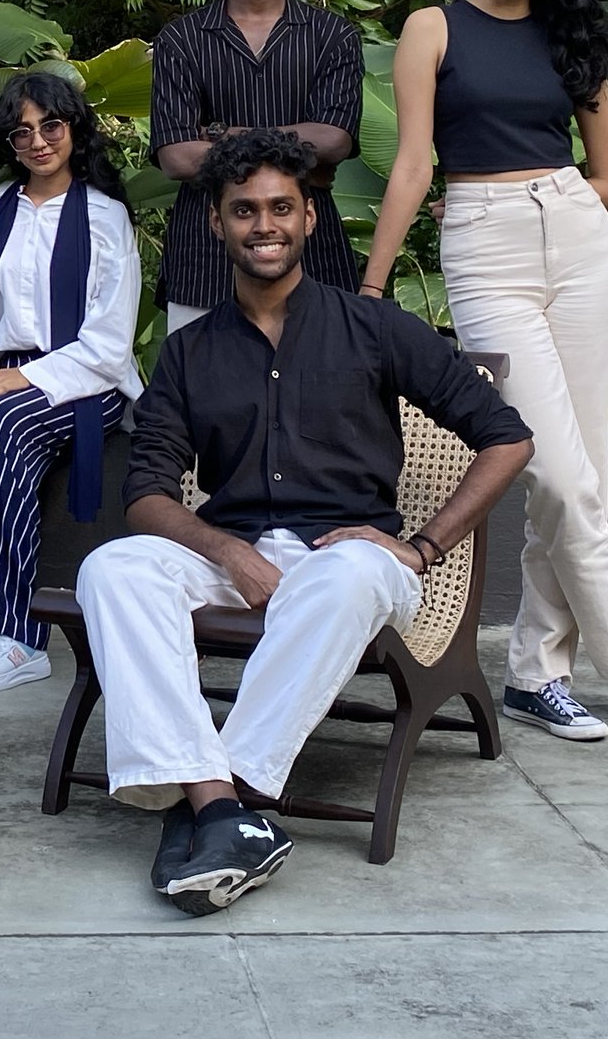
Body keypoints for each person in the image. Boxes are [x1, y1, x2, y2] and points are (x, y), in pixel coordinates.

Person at [79, 129, 534, 915]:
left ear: (309, 217)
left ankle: (218, 799)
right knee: (111, 568)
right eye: (244, 209)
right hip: (236, 553)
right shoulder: (189, 352)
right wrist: (227, 550)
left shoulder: (375, 328)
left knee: (351, 573)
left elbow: (508, 437)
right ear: (217, 222)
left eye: (281, 207)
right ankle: (223, 809)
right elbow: (147, 494)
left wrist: (422, 547)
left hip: (350, 559)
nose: (265, 224)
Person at [359, 0, 608, 742]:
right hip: (485, 249)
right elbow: (413, 164)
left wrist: (555, 200)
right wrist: (371, 288)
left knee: (586, 470)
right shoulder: (433, 28)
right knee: (550, 469)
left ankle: (536, 674)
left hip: (579, 240)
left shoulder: (570, 36)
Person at [0, 71, 141, 694]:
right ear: (8, 142)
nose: (38, 141)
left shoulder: (104, 217)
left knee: (1, 425)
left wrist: (20, 379)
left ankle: (21, 634)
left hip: (83, 378)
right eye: (22, 132)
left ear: (74, 129)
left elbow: (109, 339)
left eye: (51, 126)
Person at [151, 0, 364, 332]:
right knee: (203, 379)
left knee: (321, 376)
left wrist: (219, 134)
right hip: (204, 261)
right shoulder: (181, 41)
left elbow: (334, 141)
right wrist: (298, 153)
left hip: (313, 256)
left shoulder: (332, 37)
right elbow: (176, 156)